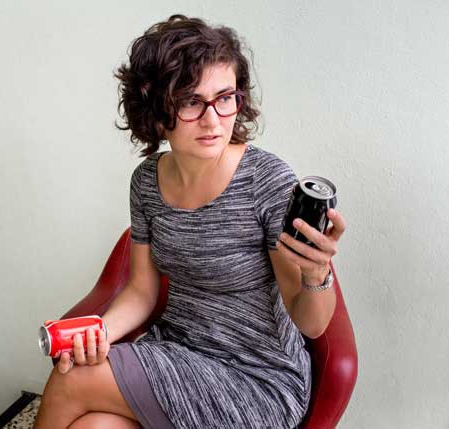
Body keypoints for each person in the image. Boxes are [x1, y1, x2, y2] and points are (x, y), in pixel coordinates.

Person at [34, 14, 346, 429]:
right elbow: (142, 291)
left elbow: (310, 322)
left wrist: (316, 273)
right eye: (191, 101)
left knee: (70, 381)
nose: (213, 119)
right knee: (93, 427)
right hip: (176, 352)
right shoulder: (146, 181)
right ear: (157, 108)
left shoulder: (265, 181)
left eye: (225, 97)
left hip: (256, 379)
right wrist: (101, 333)